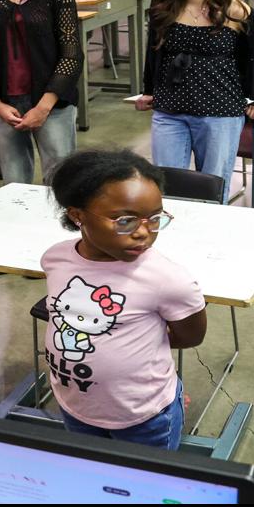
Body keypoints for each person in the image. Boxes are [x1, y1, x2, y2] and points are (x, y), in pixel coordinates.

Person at [39, 149, 207, 450]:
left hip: (143, 417)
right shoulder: (56, 258)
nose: (143, 233)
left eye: (154, 219)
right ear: (77, 215)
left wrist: (133, 352)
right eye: (125, 221)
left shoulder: (167, 279)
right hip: (75, 404)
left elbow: (191, 335)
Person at [135, 0, 254, 204]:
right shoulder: (165, 6)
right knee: (165, 188)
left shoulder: (235, 10)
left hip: (219, 115)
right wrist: (150, 90)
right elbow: (154, 51)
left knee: (211, 191)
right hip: (169, 112)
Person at [0, 0, 81, 186]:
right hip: (2, 103)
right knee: (14, 183)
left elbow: (71, 55)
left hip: (52, 103)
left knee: (60, 181)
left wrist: (43, 107)